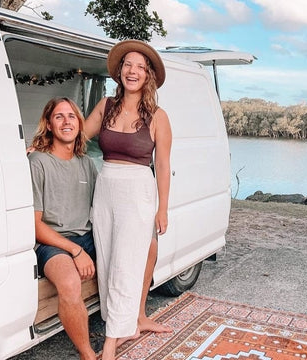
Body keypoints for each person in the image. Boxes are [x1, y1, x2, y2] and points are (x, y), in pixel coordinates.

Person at [85, 39, 172, 360]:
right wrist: (39, 145)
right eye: (128, 65)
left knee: (125, 264)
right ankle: (125, 324)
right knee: (107, 261)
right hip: (105, 189)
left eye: (140, 66)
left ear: (148, 75)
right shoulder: (105, 106)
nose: (133, 71)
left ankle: (110, 343)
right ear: (120, 71)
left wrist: (162, 208)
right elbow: (78, 135)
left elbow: (162, 164)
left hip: (138, 193)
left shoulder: (158, 117)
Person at [28, 97, 99, 360]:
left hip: (86, 236)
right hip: (51, 241)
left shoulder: (86, 163)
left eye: (71, 116)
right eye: (59, 116)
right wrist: (74, 251)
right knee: (70, 283)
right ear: (48, 124)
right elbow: (35, 226)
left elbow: (101, 206)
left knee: (124, 258)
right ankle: (87, 353)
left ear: (79, 124)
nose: (66, 121)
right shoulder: (38, 162)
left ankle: (127, 325)